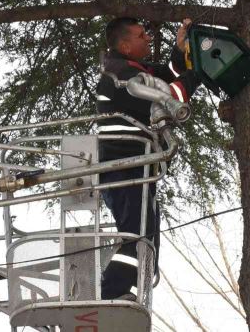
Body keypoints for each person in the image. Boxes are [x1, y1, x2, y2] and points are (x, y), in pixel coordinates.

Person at [95, 17, 200, 300]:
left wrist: (181, 51)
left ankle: (119, 291)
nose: (148, 38)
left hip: (133, 166)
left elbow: (166, 73)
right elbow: (168, 95)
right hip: (125, 166)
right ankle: (110, 294)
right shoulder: (122, 76)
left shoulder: (130, 68)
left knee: (142, 233)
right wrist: (199, 71)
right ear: (126, 45)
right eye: (142, 35)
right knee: (136, 234)